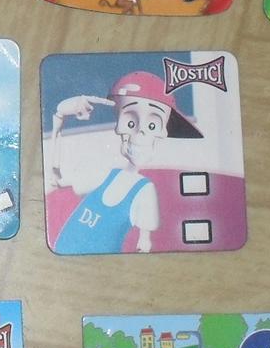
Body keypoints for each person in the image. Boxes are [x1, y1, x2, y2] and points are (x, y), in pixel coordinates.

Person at [47, 71, 203, 254]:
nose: (140, 132)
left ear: (162, 132)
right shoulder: (103, 174)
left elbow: (144, 244)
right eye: (130, 122)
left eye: (152, 125)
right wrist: (60, 115)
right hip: (63, 251)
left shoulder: (144, 190)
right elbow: (55, 180)